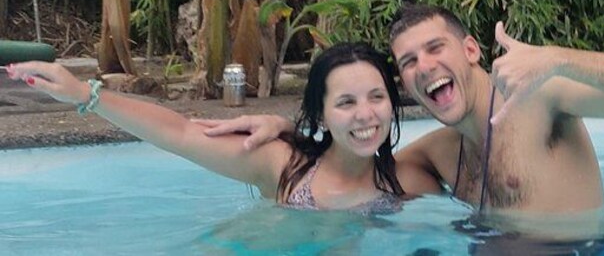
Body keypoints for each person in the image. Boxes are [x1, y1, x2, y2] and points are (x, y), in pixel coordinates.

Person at [199, 4, 604, 239]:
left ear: (471, 50)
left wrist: (560, 59)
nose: (424, 66)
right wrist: (292, 134)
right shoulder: (439, 151)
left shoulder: (540, 97)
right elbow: (353, 165)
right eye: (409, 61)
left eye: (436, 48)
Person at [4, 42, 440, 214]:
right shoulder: (284, 166)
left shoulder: (412, 182)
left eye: (376, 97)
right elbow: (182, 133)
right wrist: (85, 94)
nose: (366, 115)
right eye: (346, 102)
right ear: (322, 113)